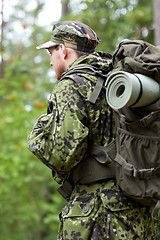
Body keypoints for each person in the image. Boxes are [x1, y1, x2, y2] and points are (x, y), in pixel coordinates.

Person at [28, 21, 157, 239]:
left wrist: (36, 137)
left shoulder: (71, 85)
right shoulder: (116, 76)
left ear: (63, 50)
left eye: (51, 52)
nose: (50, 62)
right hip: (136, 207)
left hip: (97, 212)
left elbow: (63, 156)